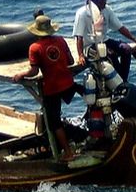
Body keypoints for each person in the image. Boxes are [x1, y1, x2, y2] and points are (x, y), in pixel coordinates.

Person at [11, 15, 84, 162]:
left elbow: (34, 72)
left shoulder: (35, 48)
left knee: (54, 122)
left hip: (52, 89)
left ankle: (67, 153)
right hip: (68, 84)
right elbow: (70, 61)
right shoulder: (61, 40)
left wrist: (21, 74)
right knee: (82, 90)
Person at [72, 0, 136, 81]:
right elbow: (79, 36)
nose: (105, 1)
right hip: (89, 45)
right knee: (110, 54)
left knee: (126, 49)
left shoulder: (107, 10)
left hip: (103, 40)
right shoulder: (82, 14)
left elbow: (120, 27)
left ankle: (123, 79)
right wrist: (81, 55)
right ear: (96, 1)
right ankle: (118, 82)